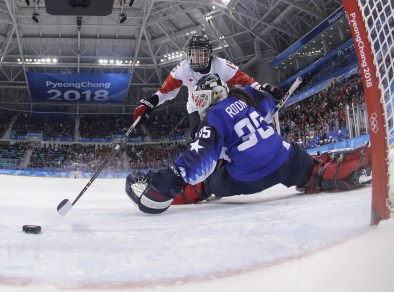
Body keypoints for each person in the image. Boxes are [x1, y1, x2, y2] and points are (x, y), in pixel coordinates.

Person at [125, 74, 372, 214]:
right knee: (305, 163)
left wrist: (171, 177)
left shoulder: (213, 118)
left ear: (213, 96)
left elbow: (199, 158)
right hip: (286, 159)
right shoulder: (246, 97)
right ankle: (337, 170)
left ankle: (181, 194)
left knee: (209, 180)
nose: (198, 104)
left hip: (248, 179)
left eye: (201, 98)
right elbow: (269, 103)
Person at [131, 35, 283, 137]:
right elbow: (166, 91)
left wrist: (263, 90)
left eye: (200, 54)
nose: (196, 58)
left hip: (222, 102)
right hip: (196, 107)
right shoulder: (183, 69)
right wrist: (150, 102)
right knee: (199, 137)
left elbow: (245, 81)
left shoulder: (221, 65)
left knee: (230, 132)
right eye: (193, 54)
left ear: (209, 54)